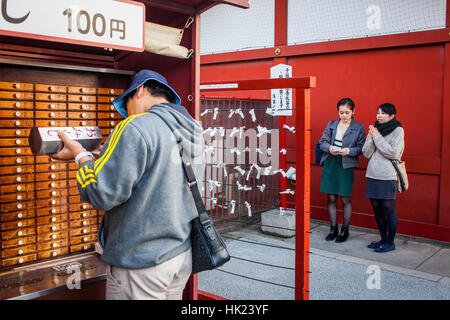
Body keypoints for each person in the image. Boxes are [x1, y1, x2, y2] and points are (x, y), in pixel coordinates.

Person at [50, 70, 204, 299]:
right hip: (179, 255)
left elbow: (100, 193)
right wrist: (109, 157)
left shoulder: (135, 125)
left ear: (140, 90)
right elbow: (160, 172)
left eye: (127, 105)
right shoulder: (192, 128)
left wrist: (81, 155)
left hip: (141, 262)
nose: (127, 113)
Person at [318, 98, 366, 242]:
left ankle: (344, 230)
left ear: (353, 111)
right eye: (341, 112)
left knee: (345, 198)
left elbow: (361, 148)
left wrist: (348, 151)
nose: (344, 115)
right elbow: (322, 142)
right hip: (330, 162)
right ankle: (333, 228)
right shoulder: (331, 124)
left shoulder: (359, 127)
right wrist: (330, 148)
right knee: (331, 197)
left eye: (347, 112)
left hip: (346, 164)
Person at [362, 103, 404, 253]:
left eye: (383, 113)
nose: (379, 116)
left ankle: (390, 242)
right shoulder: (375, 129)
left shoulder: (398, 130)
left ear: (392, 116)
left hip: (387, 175)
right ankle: (383, 239)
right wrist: (372, 136)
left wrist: (377, 136)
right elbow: (366, 153)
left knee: (388, 208)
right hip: (373, 173)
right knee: (377, 209)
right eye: (378, 112)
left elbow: (393, 153)